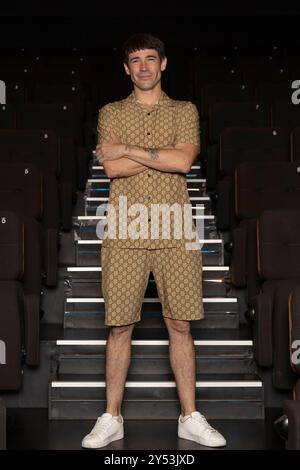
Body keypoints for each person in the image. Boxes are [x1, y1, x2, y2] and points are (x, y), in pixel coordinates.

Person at [81, 33, 226, 449]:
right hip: (125, 227)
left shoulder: (184, 110)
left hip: (176, 227)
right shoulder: (110, 111)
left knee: (179, 324)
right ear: (126, 69)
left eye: (150, 58)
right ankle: (111, 417)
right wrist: (152, 155)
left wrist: (128, 148)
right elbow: (111, 169)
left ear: (163, 64)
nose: (143, 66)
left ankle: (189, 417)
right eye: (135, 60)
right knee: (120, 326)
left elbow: (183, 161)